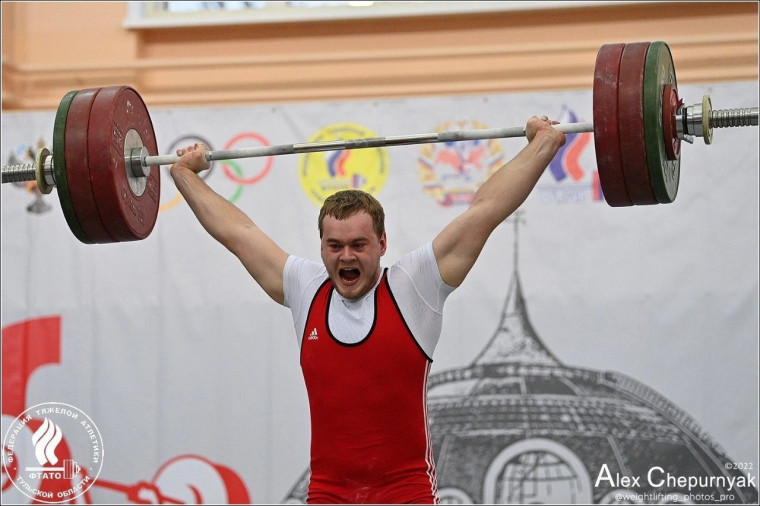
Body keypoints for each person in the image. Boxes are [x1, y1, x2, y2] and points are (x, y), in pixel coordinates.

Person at [169, 115, 565, 504]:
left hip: (405, 494)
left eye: (358, 245)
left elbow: (485, 209)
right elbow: (239, 233)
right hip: (328, 495)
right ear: (321, 245)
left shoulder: (415, 285)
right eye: (335, 246)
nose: (346, 257)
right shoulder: (305, 288)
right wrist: (185, 175)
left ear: (382, 243)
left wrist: (542, 144)